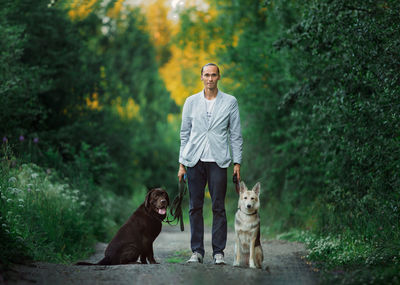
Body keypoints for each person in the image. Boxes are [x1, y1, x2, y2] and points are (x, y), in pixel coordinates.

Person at [177, 63, 243, 265]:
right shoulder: (191, 101)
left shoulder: (230, 102)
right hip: (194, 161)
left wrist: (237, 162)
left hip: (218, 160)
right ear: (201, 77)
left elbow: (235, 134)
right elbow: (184, 134)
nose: (210, 79)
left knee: (218, 207)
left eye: (213, 75)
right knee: (194, 207)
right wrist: (181, 164)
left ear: (219, 77)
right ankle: (196, 251)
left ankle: (218, 252)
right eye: (206, 75)